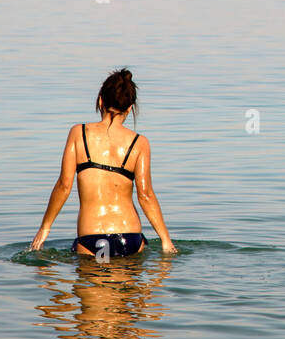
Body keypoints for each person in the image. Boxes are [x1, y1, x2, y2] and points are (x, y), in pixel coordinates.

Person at [30, 69, 176, 257]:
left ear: (100, 100)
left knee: (95, 280)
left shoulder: (78, 134)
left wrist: (45, 228)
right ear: (130, 108)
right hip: (130, 238)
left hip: (93, 239)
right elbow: (145, 195)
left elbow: (64, 186)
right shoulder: (140, 143)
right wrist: (165, 239)